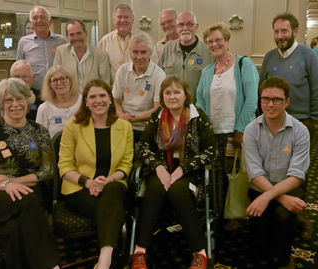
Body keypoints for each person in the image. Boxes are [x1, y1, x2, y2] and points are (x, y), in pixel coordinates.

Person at [0, 78, 60, 269]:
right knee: (28, 201)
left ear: (27, 100)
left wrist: (13, 181)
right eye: (8, 100)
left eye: (19, 99)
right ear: (1, 104)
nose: (15, 104)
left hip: (26, 190)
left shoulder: (39, 131)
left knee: (16, 226)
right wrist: (5, 185)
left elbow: (47, 171)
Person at [132, 76, 216, 269]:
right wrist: (158, 167)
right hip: (159, 171)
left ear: (185, 95)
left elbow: (211, 151)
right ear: (162, 97)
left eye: (177, 92)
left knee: (178, 190)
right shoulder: (157, 116)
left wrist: (182, 169)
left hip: (189, 173)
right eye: (168, 92)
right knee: (154, 189)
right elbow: (142, 147)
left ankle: (200, 252)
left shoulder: (198, 117)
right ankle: (139, 251)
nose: (172, 96)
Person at [259, 13, 318, 240]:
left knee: (298, 172)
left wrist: (313, 121)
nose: (280, 36)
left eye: (284, 31)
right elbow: (262, 90)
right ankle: (275, 206)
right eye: (276, 32)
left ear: (295, 31)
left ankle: (300, 216)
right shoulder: (269, 57)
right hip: (271, 124)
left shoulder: (308, 55)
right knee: (273, 167)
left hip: (301, 124)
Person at [58, 79, 133, 269]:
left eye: (102, 96)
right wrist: (88, 182)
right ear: (85, 101)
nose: (98, 100)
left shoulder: (124, 127)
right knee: (113, 209)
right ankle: (108, 258)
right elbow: (64, 166)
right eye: (92, 96)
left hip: (112, 185)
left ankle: (104, 258)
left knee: (114, 190)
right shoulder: (73, 126)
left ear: (109, 99)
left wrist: (108, 179)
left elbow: (126, 164)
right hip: (79, 189)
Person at [196, 23, 258, 231]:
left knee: (235, 175)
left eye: (218, 39)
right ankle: (217, 213)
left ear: (227, 40)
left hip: (235, 132)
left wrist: (241, 129)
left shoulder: (244, 64)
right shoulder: (207, 71)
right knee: (215, 175)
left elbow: (251, 100)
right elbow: (200, 102)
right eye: (210, 41)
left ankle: (235, 214)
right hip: (213, 133)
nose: (214, 44)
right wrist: (203, 129)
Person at [244, 77, 309, 269]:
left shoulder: (300, 131)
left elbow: (296, 175)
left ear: (286, 102)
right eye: (265, 99)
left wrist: (270, 197)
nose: (270, 104)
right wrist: (276, 197)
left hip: (289, 185)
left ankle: (285, 257)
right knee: (259, 245)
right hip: (259, 186)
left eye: (276, 100)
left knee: (283, 215)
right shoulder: (251, 130)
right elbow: (255, 173)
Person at [112, 33, 166, 143]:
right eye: (135, 52)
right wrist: (121, 115)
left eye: (143, 52)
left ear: (150, 54)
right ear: (130, 54)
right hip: (123, 125)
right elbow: (116, 99)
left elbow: (158, 109)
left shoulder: (159, 74)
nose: (139, 57)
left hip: (147, 128)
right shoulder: (122, 70)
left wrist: (133, 118)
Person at [159, 11, 214, 103]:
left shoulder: (208, 51)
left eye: (189, 24)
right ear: (177, 28)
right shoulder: (167, 48)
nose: (185, 28)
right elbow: (159, 79)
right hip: (171, 107)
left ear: (196, 27)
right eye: (181, 25)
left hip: (198, 108)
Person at [98, 3, 158, 82]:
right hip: (114, 89)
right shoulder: (105, 41)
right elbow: (101, 69)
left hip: (141, 88)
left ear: (132, 20)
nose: (122, 20)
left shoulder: (146, 38)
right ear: (114, 20)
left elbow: (154, 64)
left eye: (126, 17)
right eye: (119, 17)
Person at [17, 6, 67, 89]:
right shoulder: (23, 42)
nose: (39, 20)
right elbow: (19, 69)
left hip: (57, 90)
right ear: (31, 22)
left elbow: (67, 66)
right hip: (33, 91)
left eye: (42, 17)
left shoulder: (61, 41)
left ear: (49, 21)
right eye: (35, 18)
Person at [54, 20, 111, 92]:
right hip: (69, 99)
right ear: (67, 37)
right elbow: (56, 78)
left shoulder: (101, 55)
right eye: (72, 34)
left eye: (79, 33)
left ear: (86, 33)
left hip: (93, 99)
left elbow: (105, 83)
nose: (76, 38)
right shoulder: (60, 51)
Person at [36, 65, 81, 138]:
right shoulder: (44, 109)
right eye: (54, 80)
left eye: (63, 78)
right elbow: (40, 138)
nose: (59, 83)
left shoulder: (83, 102)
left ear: (70, 81)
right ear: (50, 85)